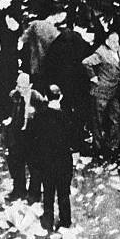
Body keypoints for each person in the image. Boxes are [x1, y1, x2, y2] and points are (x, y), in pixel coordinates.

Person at [34, 85, 76, 231]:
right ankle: (65, 220)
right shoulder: (66, 116)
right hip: (63, 161)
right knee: (64, 193)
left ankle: (48, 220)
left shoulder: (40, 116)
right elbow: (73, 140)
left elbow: (36, 140)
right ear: (60, 96)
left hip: (47, 161)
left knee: (48, 192)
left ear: (46, 97)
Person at [82, 31, 120, 161]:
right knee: (98, 122)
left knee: (116, 118)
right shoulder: (101, 52)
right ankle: (98, 149)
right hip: (101, 91)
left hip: (114, 90)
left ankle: (113, 146)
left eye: (117, 41)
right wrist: (94, 78)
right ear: (107, 42)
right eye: (113, 42)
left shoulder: (119, 51)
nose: (116, 44)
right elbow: (86, 62)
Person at [6, 73, 46, 201]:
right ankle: (19, 190)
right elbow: (8, 110)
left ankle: (34, 193)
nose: (20, 89)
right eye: (18, 86)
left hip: (31, 136)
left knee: (34, 165)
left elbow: (45, 113)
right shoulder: (15, 96)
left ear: (30, 86)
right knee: (17, 164)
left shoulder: (36, 97)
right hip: (18, 134)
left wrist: (36, 114)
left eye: (23, 87)